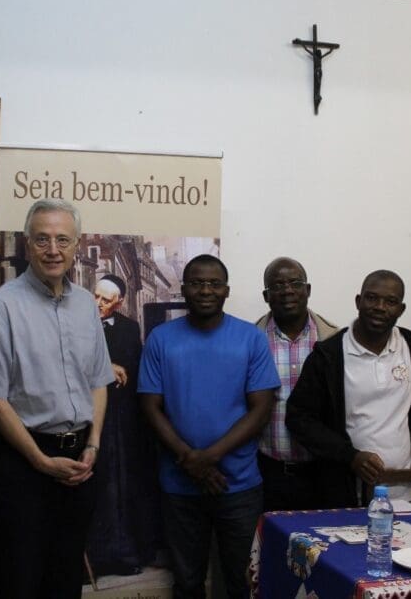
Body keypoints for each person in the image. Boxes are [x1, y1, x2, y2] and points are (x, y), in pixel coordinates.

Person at [0, 199, 113, 599]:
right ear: (27, 244)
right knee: (22, 580)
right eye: (42, 239)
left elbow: (99, 381)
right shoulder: (2, 306)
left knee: (67, 577)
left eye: (62, 240)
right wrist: (39, 461)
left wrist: (93, 444)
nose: (53, 249)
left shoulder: (87, 304)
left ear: (76, 245)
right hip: (24, 464)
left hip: (79, 463)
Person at [138, 254, 279, 599]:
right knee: (187, 583)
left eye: (214, 283)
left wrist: (207, 458)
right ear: (183, 289)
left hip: (239, 485)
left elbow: (261, 409)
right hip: (179, 486)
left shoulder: (250, 338)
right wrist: (191, 460)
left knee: (242, 582)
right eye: (197, 283)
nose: (205, 290)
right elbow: (149, 406)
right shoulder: (161, 338)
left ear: (226, 290)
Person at [286, 270, 411, 507]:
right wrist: (350, 457)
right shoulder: (329, 355)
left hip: (409, 492)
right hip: (349, 495)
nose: (380, 307)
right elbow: (299, 418)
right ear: (358, 301)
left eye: (391, 301)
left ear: (401, 309)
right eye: (372, 298)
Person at [85, 274, 159, 576]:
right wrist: (106, 368)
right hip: (88, 417)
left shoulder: (129, 328)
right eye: (96, 296)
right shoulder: (78, 323)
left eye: (106, 300)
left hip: (122, 419)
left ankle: (125, 553)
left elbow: (133, 366)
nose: (99, 304)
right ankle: (95, 558)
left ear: (119, 303)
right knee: (96, 487)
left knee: (124, 487)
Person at [254, 257, 338, 512]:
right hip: (267, 470)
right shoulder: (250, 340)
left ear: (308, 290)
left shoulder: (334, 339)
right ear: (266, 295)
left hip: (323, 471)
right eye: (277, 285)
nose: (287, 290)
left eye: (295, 283)